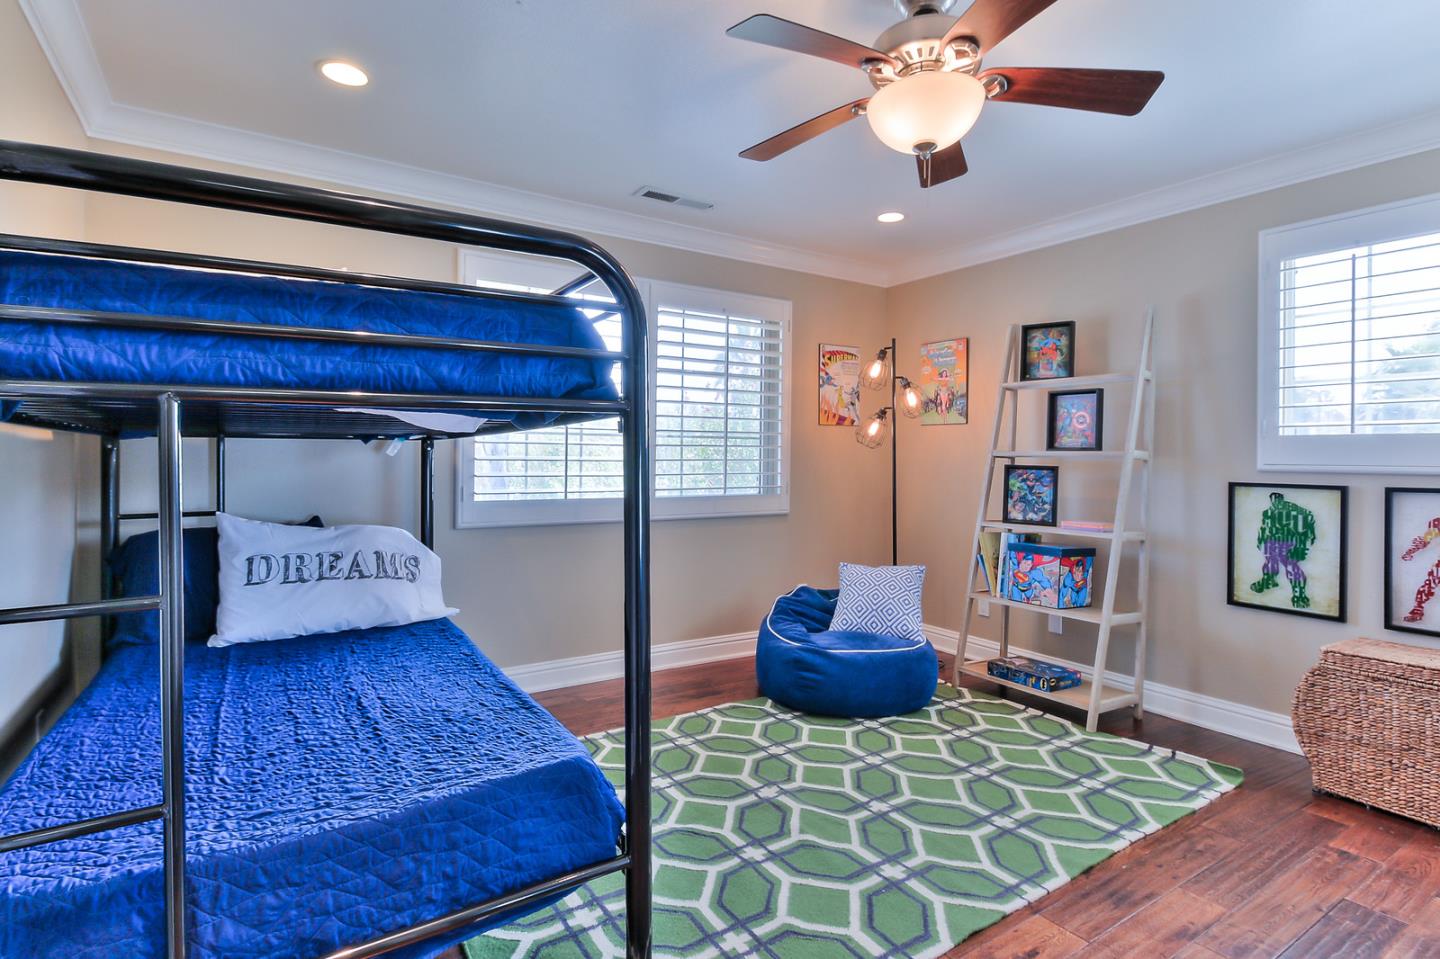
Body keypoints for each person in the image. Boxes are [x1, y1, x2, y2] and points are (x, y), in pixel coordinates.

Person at [1251, 492, 1317, 609]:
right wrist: (1261, 540)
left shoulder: (1297, 511)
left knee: (1291, 566)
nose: (1275, 502)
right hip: (1271, 542)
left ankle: (1299, 595)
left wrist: (1302, 545)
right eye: (1273, 500)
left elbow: (1307, 526)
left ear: (1281, 499)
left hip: (1289, 543)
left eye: (1277, 500)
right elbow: (1264, 527)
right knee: (1270, 562)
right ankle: (1269, 580)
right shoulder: (1268, 512)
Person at [1400, 516, 1440, 623]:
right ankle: (1417, 610)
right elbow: (1426, 539)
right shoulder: (1438, 524)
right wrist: (1410, 551)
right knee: (1428, 586)